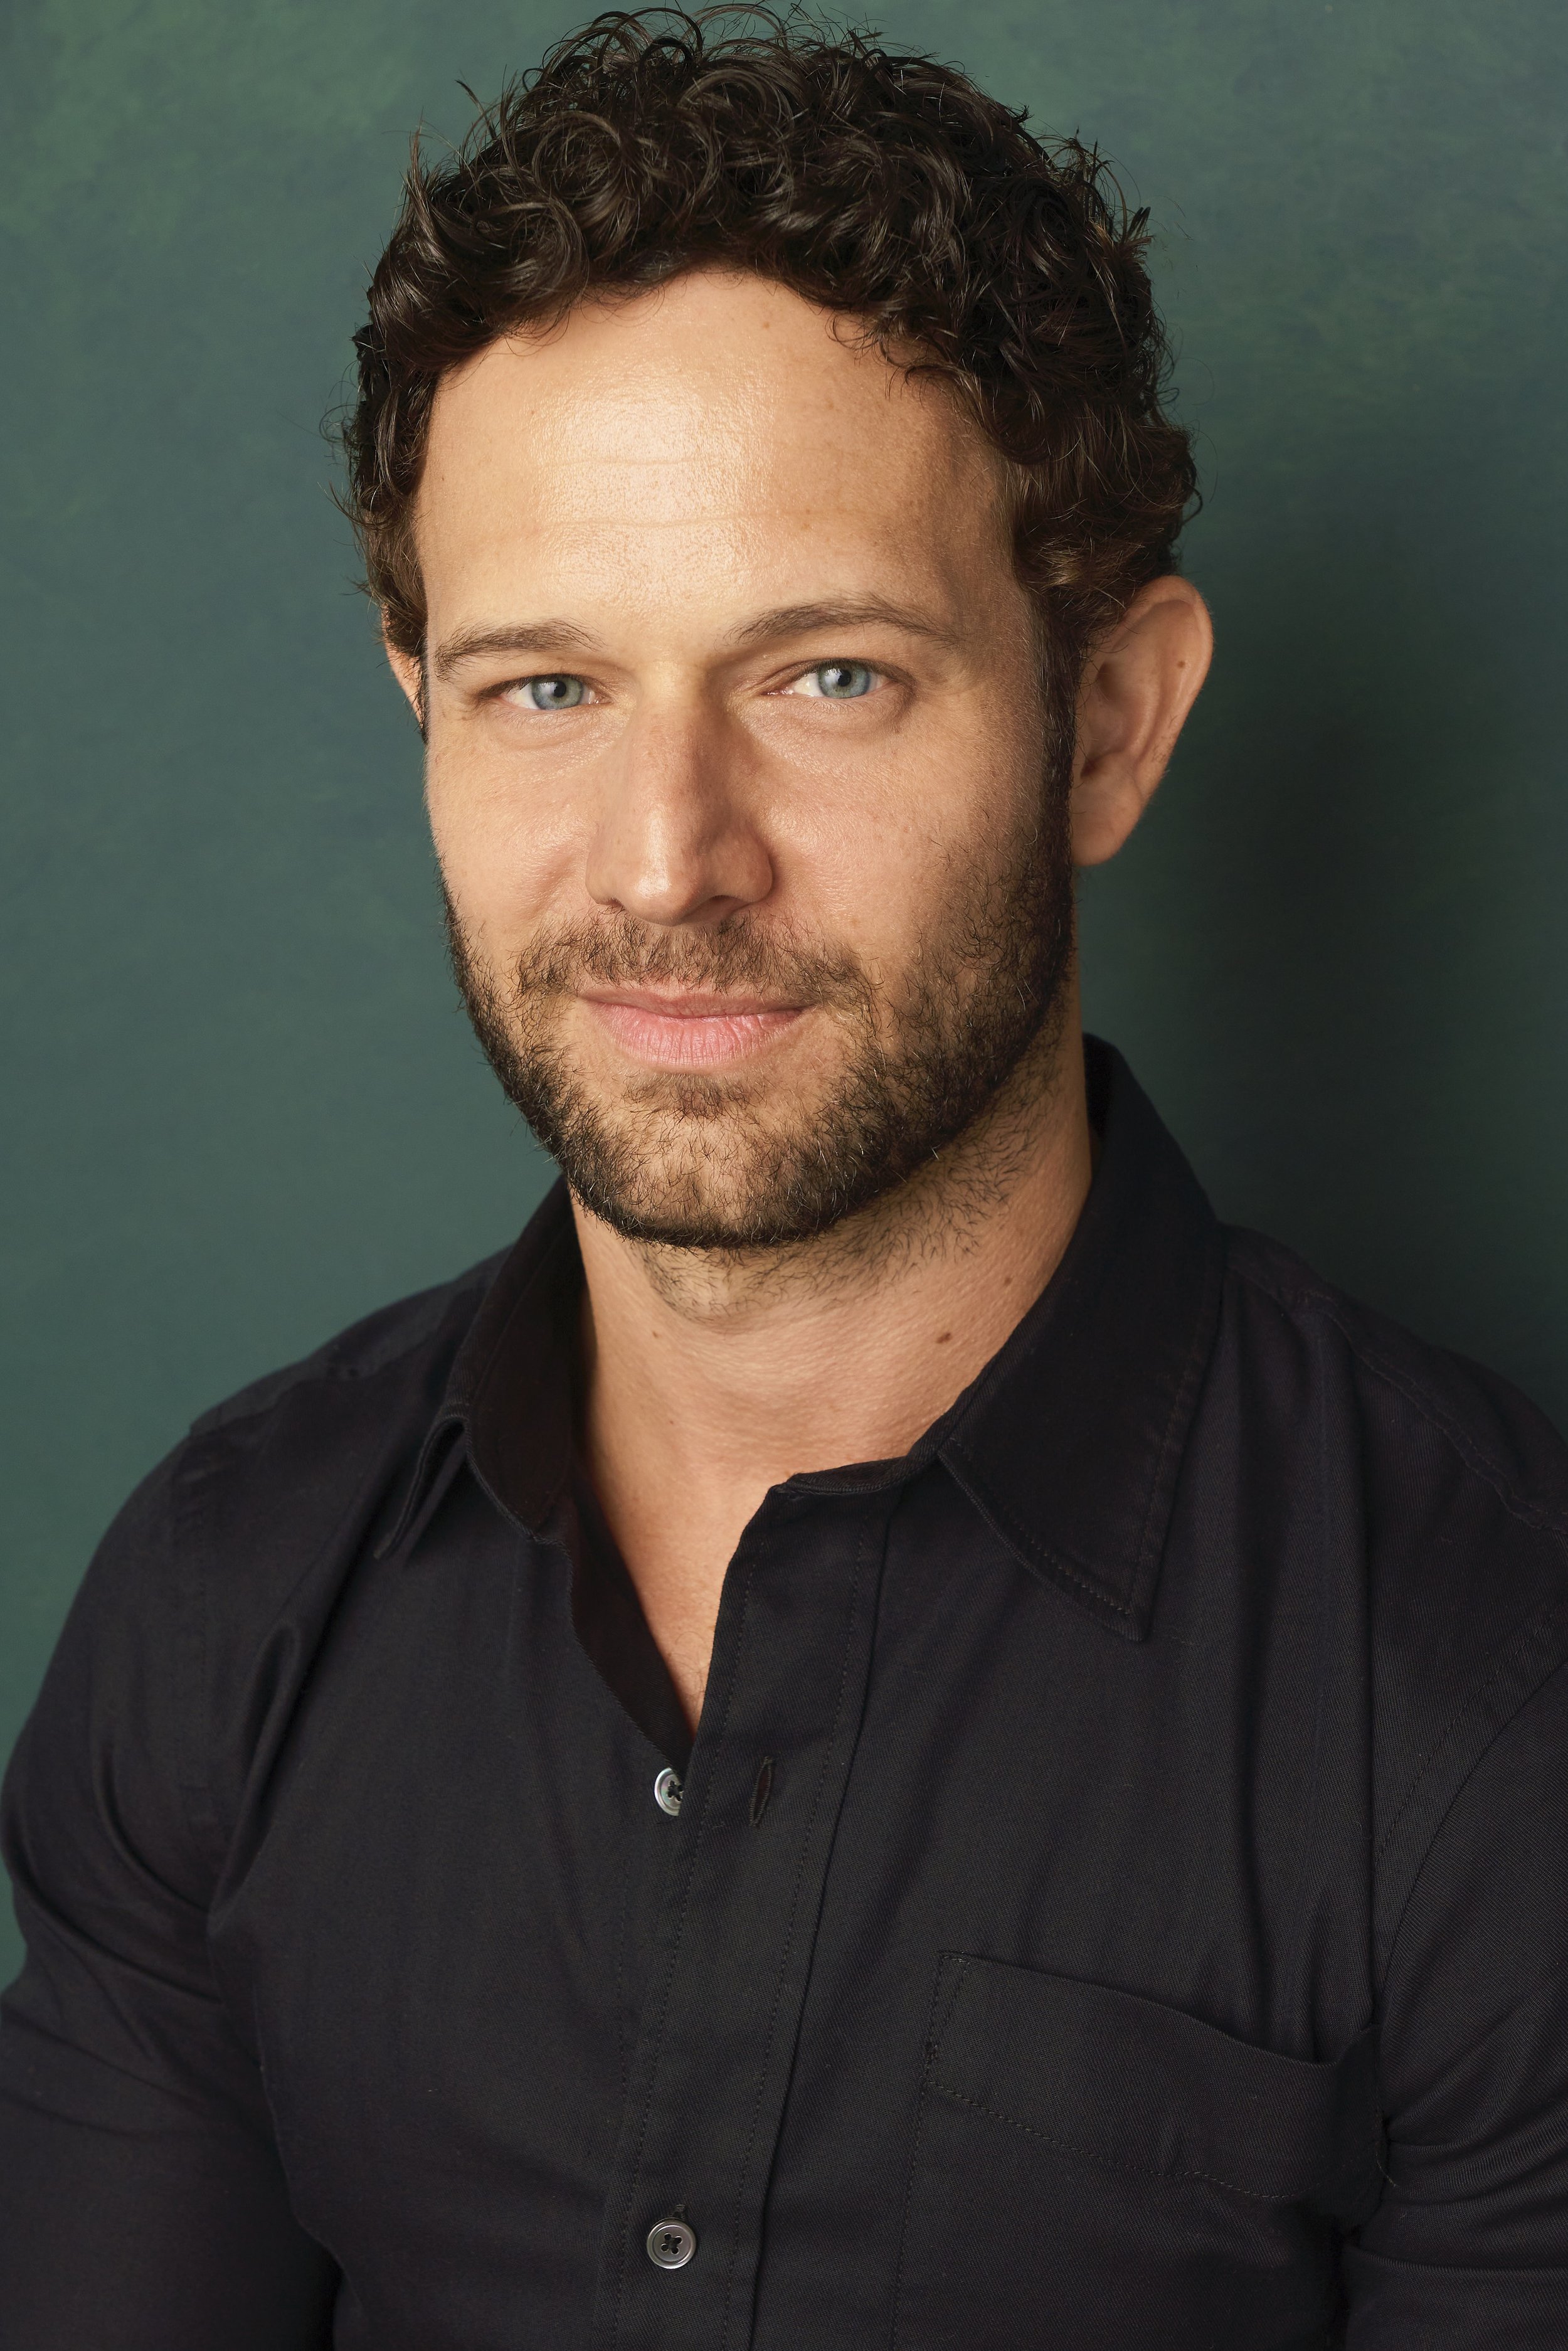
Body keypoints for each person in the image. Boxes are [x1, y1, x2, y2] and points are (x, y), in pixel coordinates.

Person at [4, 12, 1567, 2346]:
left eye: (825, 675)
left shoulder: (1488, 1695)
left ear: (1109, 724)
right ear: (418, 700)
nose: (666, 859)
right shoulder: (226, 1605)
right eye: (546, 688)